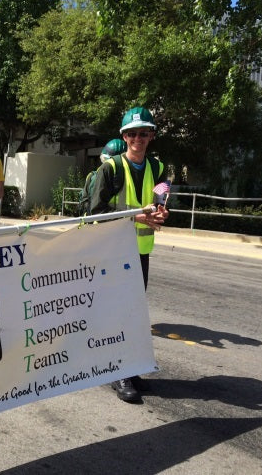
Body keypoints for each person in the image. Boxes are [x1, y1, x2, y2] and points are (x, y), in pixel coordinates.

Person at [89, 106, 169, 403]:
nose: (139, 138)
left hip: (141, 251)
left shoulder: (157, 168)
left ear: (151, 136)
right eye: (133, 133)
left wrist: (162, 210)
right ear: (124, 137)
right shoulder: (109, 169)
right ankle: (117, 371)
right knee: (118, 312)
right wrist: (135, 216)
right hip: (114, 252)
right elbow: (94, 211)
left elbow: (161, 193)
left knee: (134, 314)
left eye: (144, 133)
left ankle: (130, 367)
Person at [80, 139, 127, 215]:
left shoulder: (92, 176)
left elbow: (84, 201)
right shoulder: (131, 177)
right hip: (123, 222)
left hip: (96, 222)